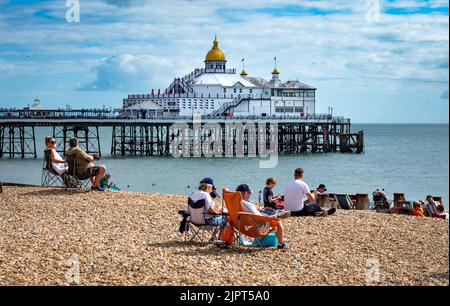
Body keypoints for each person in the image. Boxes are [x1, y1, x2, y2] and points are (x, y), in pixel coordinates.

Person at [236, 184, 289, 250]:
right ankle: (281, 244)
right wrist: (272, 217)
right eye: (249, 194)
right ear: (246, 193)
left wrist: (256, 209)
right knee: (277, 221)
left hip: (239, 226)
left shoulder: (236, 203)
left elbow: (246, 212)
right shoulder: (248, 205)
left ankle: (276, 214)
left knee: (266, 211)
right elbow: (260, 218)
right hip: (257, 228)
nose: (249, 196)